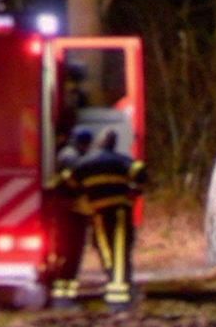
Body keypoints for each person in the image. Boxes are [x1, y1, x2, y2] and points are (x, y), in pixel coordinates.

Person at [66, 128, 147, 309]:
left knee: (105, 248)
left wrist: (82, 196)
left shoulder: (84, 163)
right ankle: (122, 289)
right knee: (121, 249)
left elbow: (69, 182)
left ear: (99, 142)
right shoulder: (122, 160)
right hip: (120, 211)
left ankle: (115, 283)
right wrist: (136, 190)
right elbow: (140, 171)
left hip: (99, 212)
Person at [46, 128, 95, 308]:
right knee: (70, 255)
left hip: (70, 213)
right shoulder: (70, 157)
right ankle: (63, 298)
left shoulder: (68, 154)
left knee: (69, 255)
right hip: (70, 214)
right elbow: (74, 182)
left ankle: (64, 296)